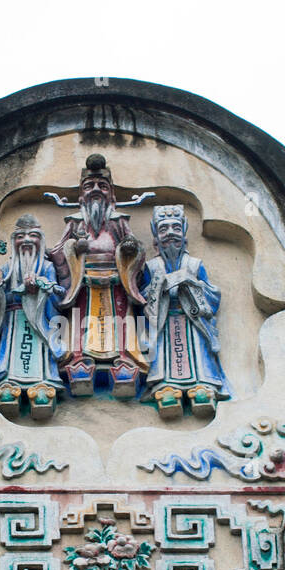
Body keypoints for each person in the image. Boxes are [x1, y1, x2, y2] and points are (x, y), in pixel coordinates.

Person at [46, 154, 149, 398]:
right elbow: (57, 252)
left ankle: (124, 363)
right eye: (89, 186)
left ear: (111, 194)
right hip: (83, 283)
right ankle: (80, 363)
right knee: (80, 326)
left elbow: (136, 250)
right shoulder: (74, 222)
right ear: (81, 194)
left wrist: (129, 251)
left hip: (116, 283)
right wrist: (74, 250)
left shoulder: (118, 221)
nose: (95, 190)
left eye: (102, 186)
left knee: (121, 324)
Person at [0, 213, 66, 419]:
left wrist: (40, 289)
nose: (27, 240)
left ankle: (42, 388)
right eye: (21, 236)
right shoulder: (6, 268)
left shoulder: (46, 267)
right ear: (14, 241)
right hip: (13, 321)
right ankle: (7, 387)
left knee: (40, 361)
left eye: (33, 235)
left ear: (40, 240)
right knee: (8, 358)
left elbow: (58, 297)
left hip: (37, 322)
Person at [138, 204, 230, 418]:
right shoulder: (152, 267)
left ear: (184, 233)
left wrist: (192, 284)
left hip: (192, 321)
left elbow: (212, 294)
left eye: (176, 228)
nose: (170, 234)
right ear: (156, 237)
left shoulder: (195, 264)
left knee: (197, 353)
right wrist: (158, 288)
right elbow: (142, 297)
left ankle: (203, 386)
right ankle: (165, 388)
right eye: (163, 229)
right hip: (164, 320)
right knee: (164, 354)